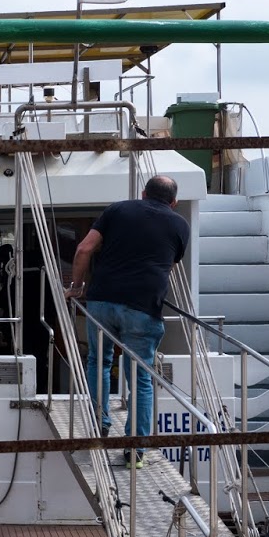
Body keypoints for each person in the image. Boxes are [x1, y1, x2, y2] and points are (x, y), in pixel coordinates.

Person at [66, 175, 190, 467]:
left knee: (99, 361)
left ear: (143, 193)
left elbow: (84, 249)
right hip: (144, 308)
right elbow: (168, 265)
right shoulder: (180, 225)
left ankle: (100, 424)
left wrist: (76, 286)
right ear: (173, 202)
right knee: (141, 378)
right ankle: (135, 449)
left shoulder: (118, 209)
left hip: (102, 301)